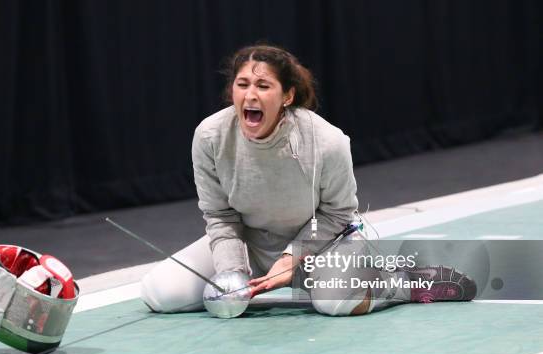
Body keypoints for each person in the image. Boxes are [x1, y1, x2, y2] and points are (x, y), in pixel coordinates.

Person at [141, 44, 476, 315]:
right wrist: (234, 273)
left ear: (287, 96)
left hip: (324, 242)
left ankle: (401, 283)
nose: (250, 95)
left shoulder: (326, 141)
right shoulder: (210, 136)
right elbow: (220, 216)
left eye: (263, 86)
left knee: (336, 302)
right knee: (160, 293)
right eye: (242, 85)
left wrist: (290, 260)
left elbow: (336, 214)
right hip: (251, 242)